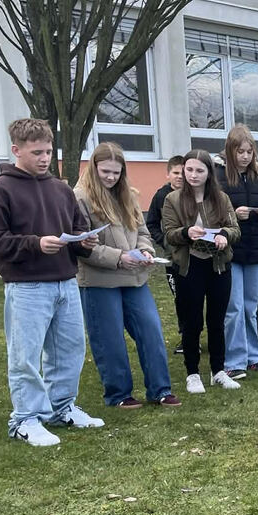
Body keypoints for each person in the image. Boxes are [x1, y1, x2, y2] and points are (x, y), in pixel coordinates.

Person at [0, 118, 104, 446]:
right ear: (16, 150)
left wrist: (83, 242)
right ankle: (25, 419)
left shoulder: (61, 189)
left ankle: (62, 408)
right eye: (37, 152)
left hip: (66, 281)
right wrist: (36, 244)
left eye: (49, 151)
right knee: (26, 355)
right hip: (27, 286)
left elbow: (76, 228)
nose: (45, 158)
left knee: (69, 350)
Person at [74, 143, 178, 410]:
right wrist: (119, 257)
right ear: (94, 168)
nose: (111, 177)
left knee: (151, 331)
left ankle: (160, 390)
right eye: (105, 171)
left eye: (116, 172)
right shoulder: (80, 197)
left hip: (135, 278)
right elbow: (82, 246)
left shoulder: (129, 195)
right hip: (99, 281)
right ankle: (118, 393)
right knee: (109, 340)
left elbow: (142, 231)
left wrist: (145, 250)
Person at [161, 149, 242, 393]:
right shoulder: (172, 199)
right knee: (192, 321)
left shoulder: (221, 198)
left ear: (209, 173)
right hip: (189, 266)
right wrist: (186, 232)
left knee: (217, 320)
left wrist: (224, 235)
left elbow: (235, 229)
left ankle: (218, 371)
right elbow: (169, 234)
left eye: (199, 170)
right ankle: (193, 373)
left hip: (218, 265)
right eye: (189, 169)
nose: (193, 175)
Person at [216, 125, 258, 379]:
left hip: (257, 251)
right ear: (230, 151)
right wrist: (233, 215)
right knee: (234, 308)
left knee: (250, 308)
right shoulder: (218, 177)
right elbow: (210, 215)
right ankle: (234, 361)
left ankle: (254, 356)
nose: (244, 156)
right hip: (231, 252)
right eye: (240, 151)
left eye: (249, 151)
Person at [145, 155, 186, 351]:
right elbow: (151, 223)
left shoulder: (194, 193)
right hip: (172, 258)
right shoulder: (161, 196)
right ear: (168, 174)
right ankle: (186, 337)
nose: (180, 177)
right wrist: (164, 241)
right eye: (176, 173)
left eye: (183, 173)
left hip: (195, 256)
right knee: (180, 298)